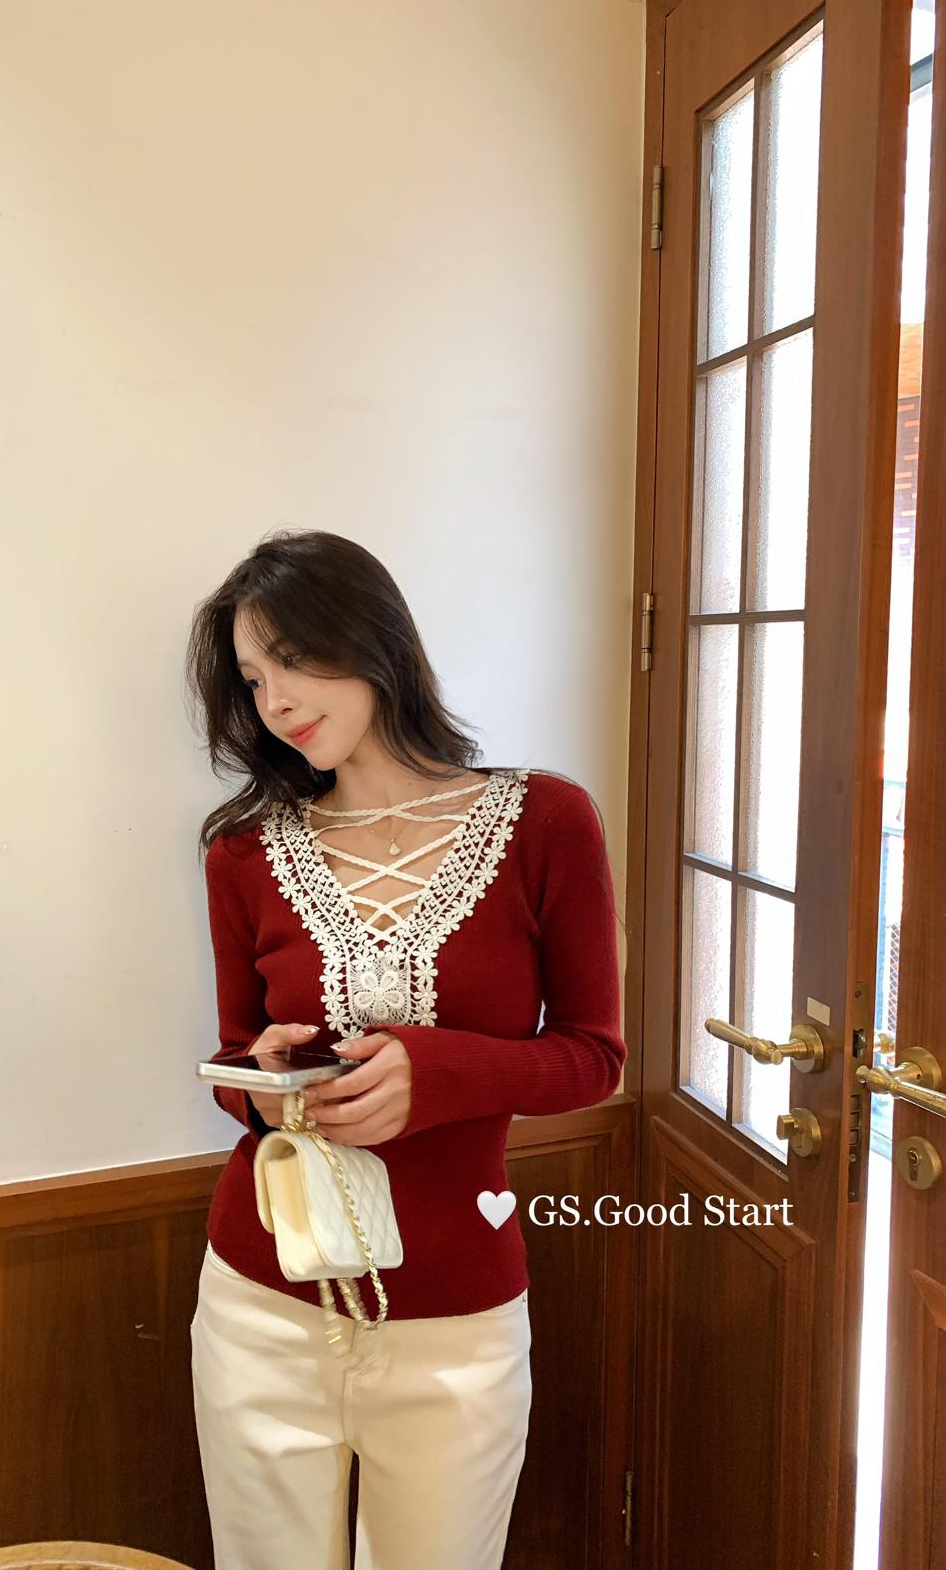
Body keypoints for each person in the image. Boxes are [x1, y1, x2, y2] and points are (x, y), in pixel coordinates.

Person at [183, 527, 626, 1570]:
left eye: (292, 659)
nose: (274, 701)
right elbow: (233, 1060)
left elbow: (593, 1055)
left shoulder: (546, 820)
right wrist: (265, 1083)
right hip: (260, 1304)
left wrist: (437, 1074)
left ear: (374, 638)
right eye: (252, 679)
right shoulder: (241, 851)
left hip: (455, 1319)